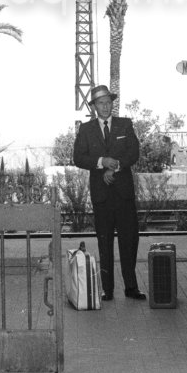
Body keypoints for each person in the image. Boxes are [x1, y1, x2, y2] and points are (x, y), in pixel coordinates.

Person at [73, 84, 145, 301]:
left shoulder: (125, 125)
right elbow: (78, 158)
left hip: (123, 194)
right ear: (94, 107)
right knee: (104, 242)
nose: (105, 107)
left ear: (113, 104)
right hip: (101, 196)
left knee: (129, 240)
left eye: (108, 102)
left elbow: (134, 152)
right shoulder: (86, 129)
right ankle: (108, 290)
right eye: (100, 103)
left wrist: (117, 166)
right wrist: (101, 162)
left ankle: (131, 287)